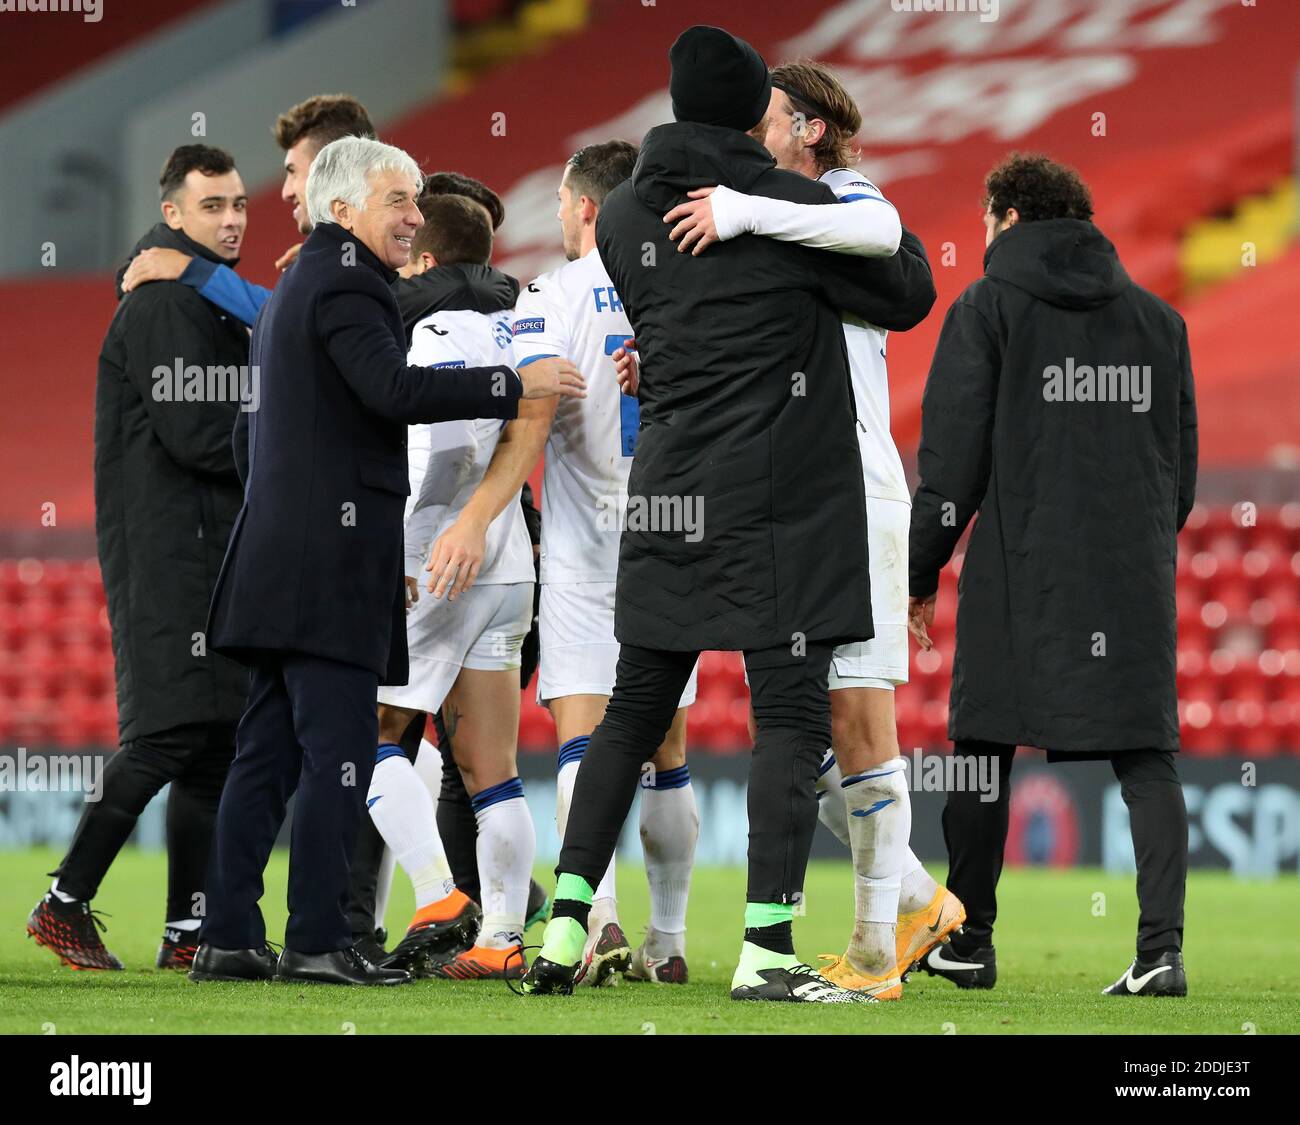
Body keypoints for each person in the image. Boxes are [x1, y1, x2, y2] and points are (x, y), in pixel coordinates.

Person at [523, 25, 934, 1003]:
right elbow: (908, 285)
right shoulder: (787, 206)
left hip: (668, 491)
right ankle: (765, 949)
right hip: (783, 498)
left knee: (632, 708)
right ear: (757, 111)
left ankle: (565, 928)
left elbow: (676, 320)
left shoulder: (625, 212)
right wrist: (780, 216)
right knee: (787, 719)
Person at [188, 137, 584, 986]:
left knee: (265, 752)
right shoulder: (348, 281)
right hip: (328, 566)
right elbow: (393, 392)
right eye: (398, 200)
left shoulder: (300, 283)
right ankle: (317, 940)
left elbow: (255, 433)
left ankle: (229, 936)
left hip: (280, 555)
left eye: (415, 200)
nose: (413, 215)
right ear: (343, 210)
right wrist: (513, 383)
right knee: (342, 751)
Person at [906, 153, 1196, 997]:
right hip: (1130, 575)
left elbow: (951, 465)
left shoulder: (985, 307)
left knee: (981, 749)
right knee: (1148, 755)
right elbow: (1179, 476)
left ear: (1007, 217)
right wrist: (1139, 544)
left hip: (1018, 566)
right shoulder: (1161, 322)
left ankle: (971, 938)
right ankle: (1161, 952)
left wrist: (921, 570)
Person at [27, 145, 252, 972]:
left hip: (207, 546)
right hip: (170, 551)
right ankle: (64, 902)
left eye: (238, 204)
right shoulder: (164, 302)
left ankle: (187, 928)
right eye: (212, 206)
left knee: (215, 742)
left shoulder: (204, 299)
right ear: (172, 214)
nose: (231, 220)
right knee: (168, 732)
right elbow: (195, 434)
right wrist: (285, 447)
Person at [512, 140, 701, 987]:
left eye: (561, 200)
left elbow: (527, 408)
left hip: (587, 551)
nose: (558, 213)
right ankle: (669, 939)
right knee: (667, 746)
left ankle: (596, 921)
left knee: (586, 737)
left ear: (587, 206)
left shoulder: (550, 294)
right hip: (674, 540)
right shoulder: (685, 281)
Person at [364, 193, 548, 981]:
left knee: (363, 731)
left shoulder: (437, 328)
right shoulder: (519, 317)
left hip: (443, 559)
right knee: (489, 764)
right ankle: (501, 934)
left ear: (427, 259)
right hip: (511, 562)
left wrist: (410, 544)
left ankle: (439, 892)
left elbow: (442, 447)